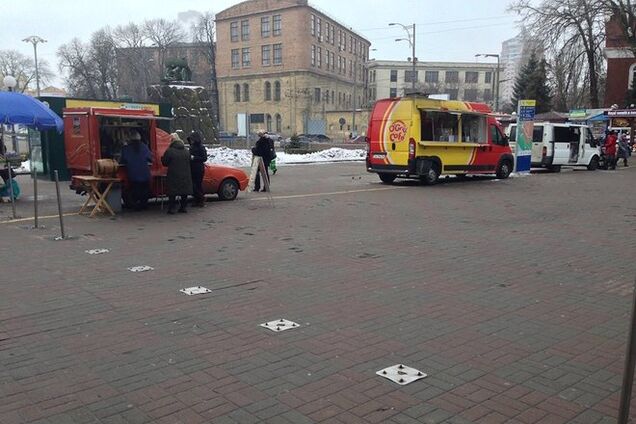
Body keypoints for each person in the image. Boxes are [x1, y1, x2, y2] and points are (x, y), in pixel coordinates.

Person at [119, 131, 152, 210]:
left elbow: (122, 160)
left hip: (133, 174)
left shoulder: (126, 149)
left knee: (135, 190)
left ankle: (136, 206)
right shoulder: (144, 147)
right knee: (145, 190)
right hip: (145, 173)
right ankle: (144, 205)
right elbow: (150, 158)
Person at [161, 133, 193, 214]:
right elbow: (190, 161)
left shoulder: (170, 151)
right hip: (186, 174)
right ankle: (183, 207)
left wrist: (162, 158)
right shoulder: (186, 151)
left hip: (173, 174)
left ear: (172, 141)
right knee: (184, 192)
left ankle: (172, 208)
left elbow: (165, 163)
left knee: (172, 192)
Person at [187, 131, 207, 207]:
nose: (191, 141)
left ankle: (201, 199)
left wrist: (194, 158)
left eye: (192, 139)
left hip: (198, 169)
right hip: (192, 168)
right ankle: (197, 199)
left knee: (197, 185)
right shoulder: (191, 147)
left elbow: (204, 158)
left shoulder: (201, 147)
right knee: (194, 185)